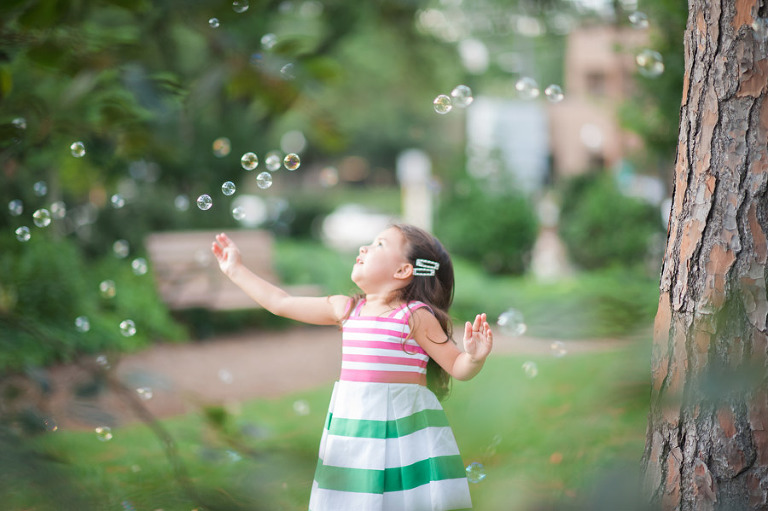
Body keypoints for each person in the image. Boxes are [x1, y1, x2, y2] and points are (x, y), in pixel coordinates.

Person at [211, 223, 493, 511]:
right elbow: (280, 302)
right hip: (354, 427)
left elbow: (457, 365)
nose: (364, 247)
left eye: (380, 244)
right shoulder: (346, 309)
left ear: (403, 271)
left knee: (403, 499)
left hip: (404, 435)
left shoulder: (414, 316)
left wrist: (473, 357)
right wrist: (235, 270)